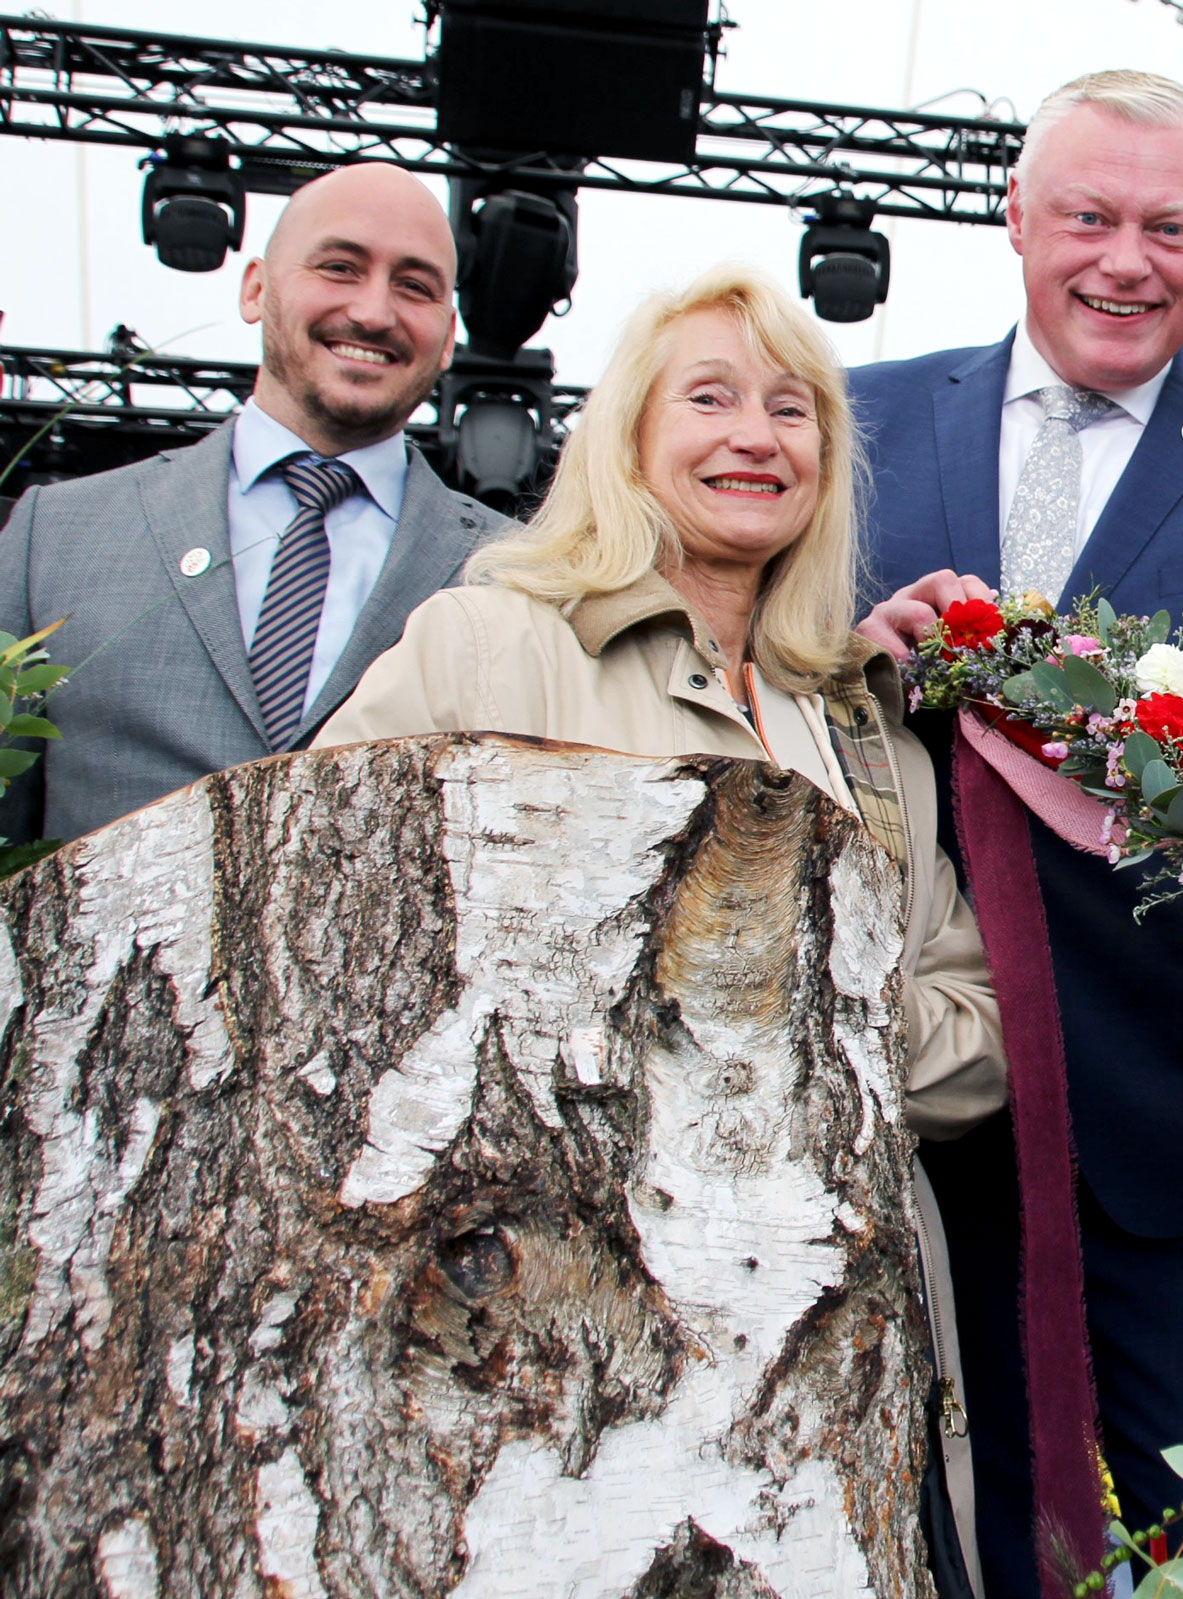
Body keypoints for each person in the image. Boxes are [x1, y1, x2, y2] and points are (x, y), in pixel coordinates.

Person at [316, 262, 1007, 1586]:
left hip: (851, 1352)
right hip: (568, 1350)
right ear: (628, 437)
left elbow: (977, 1043)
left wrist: (787, 996)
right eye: (710, 396)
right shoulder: (492, 643)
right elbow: (327, 918)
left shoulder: (867, 728)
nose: (756, 433)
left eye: (793, 408)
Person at [850, 70, 1183, 1597]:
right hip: (908, 1118)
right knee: (939, 1546)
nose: (1126, 259)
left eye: (1172, 227)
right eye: (1088, 215)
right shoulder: (857, 419)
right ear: (1015, 216)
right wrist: (855, 650)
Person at [0, 162, 511, 847]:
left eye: (414, 286)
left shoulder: (516, 575)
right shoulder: (56, 537)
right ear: (256, 288)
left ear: (448, 335)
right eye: (339, 267)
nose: (373, 311)